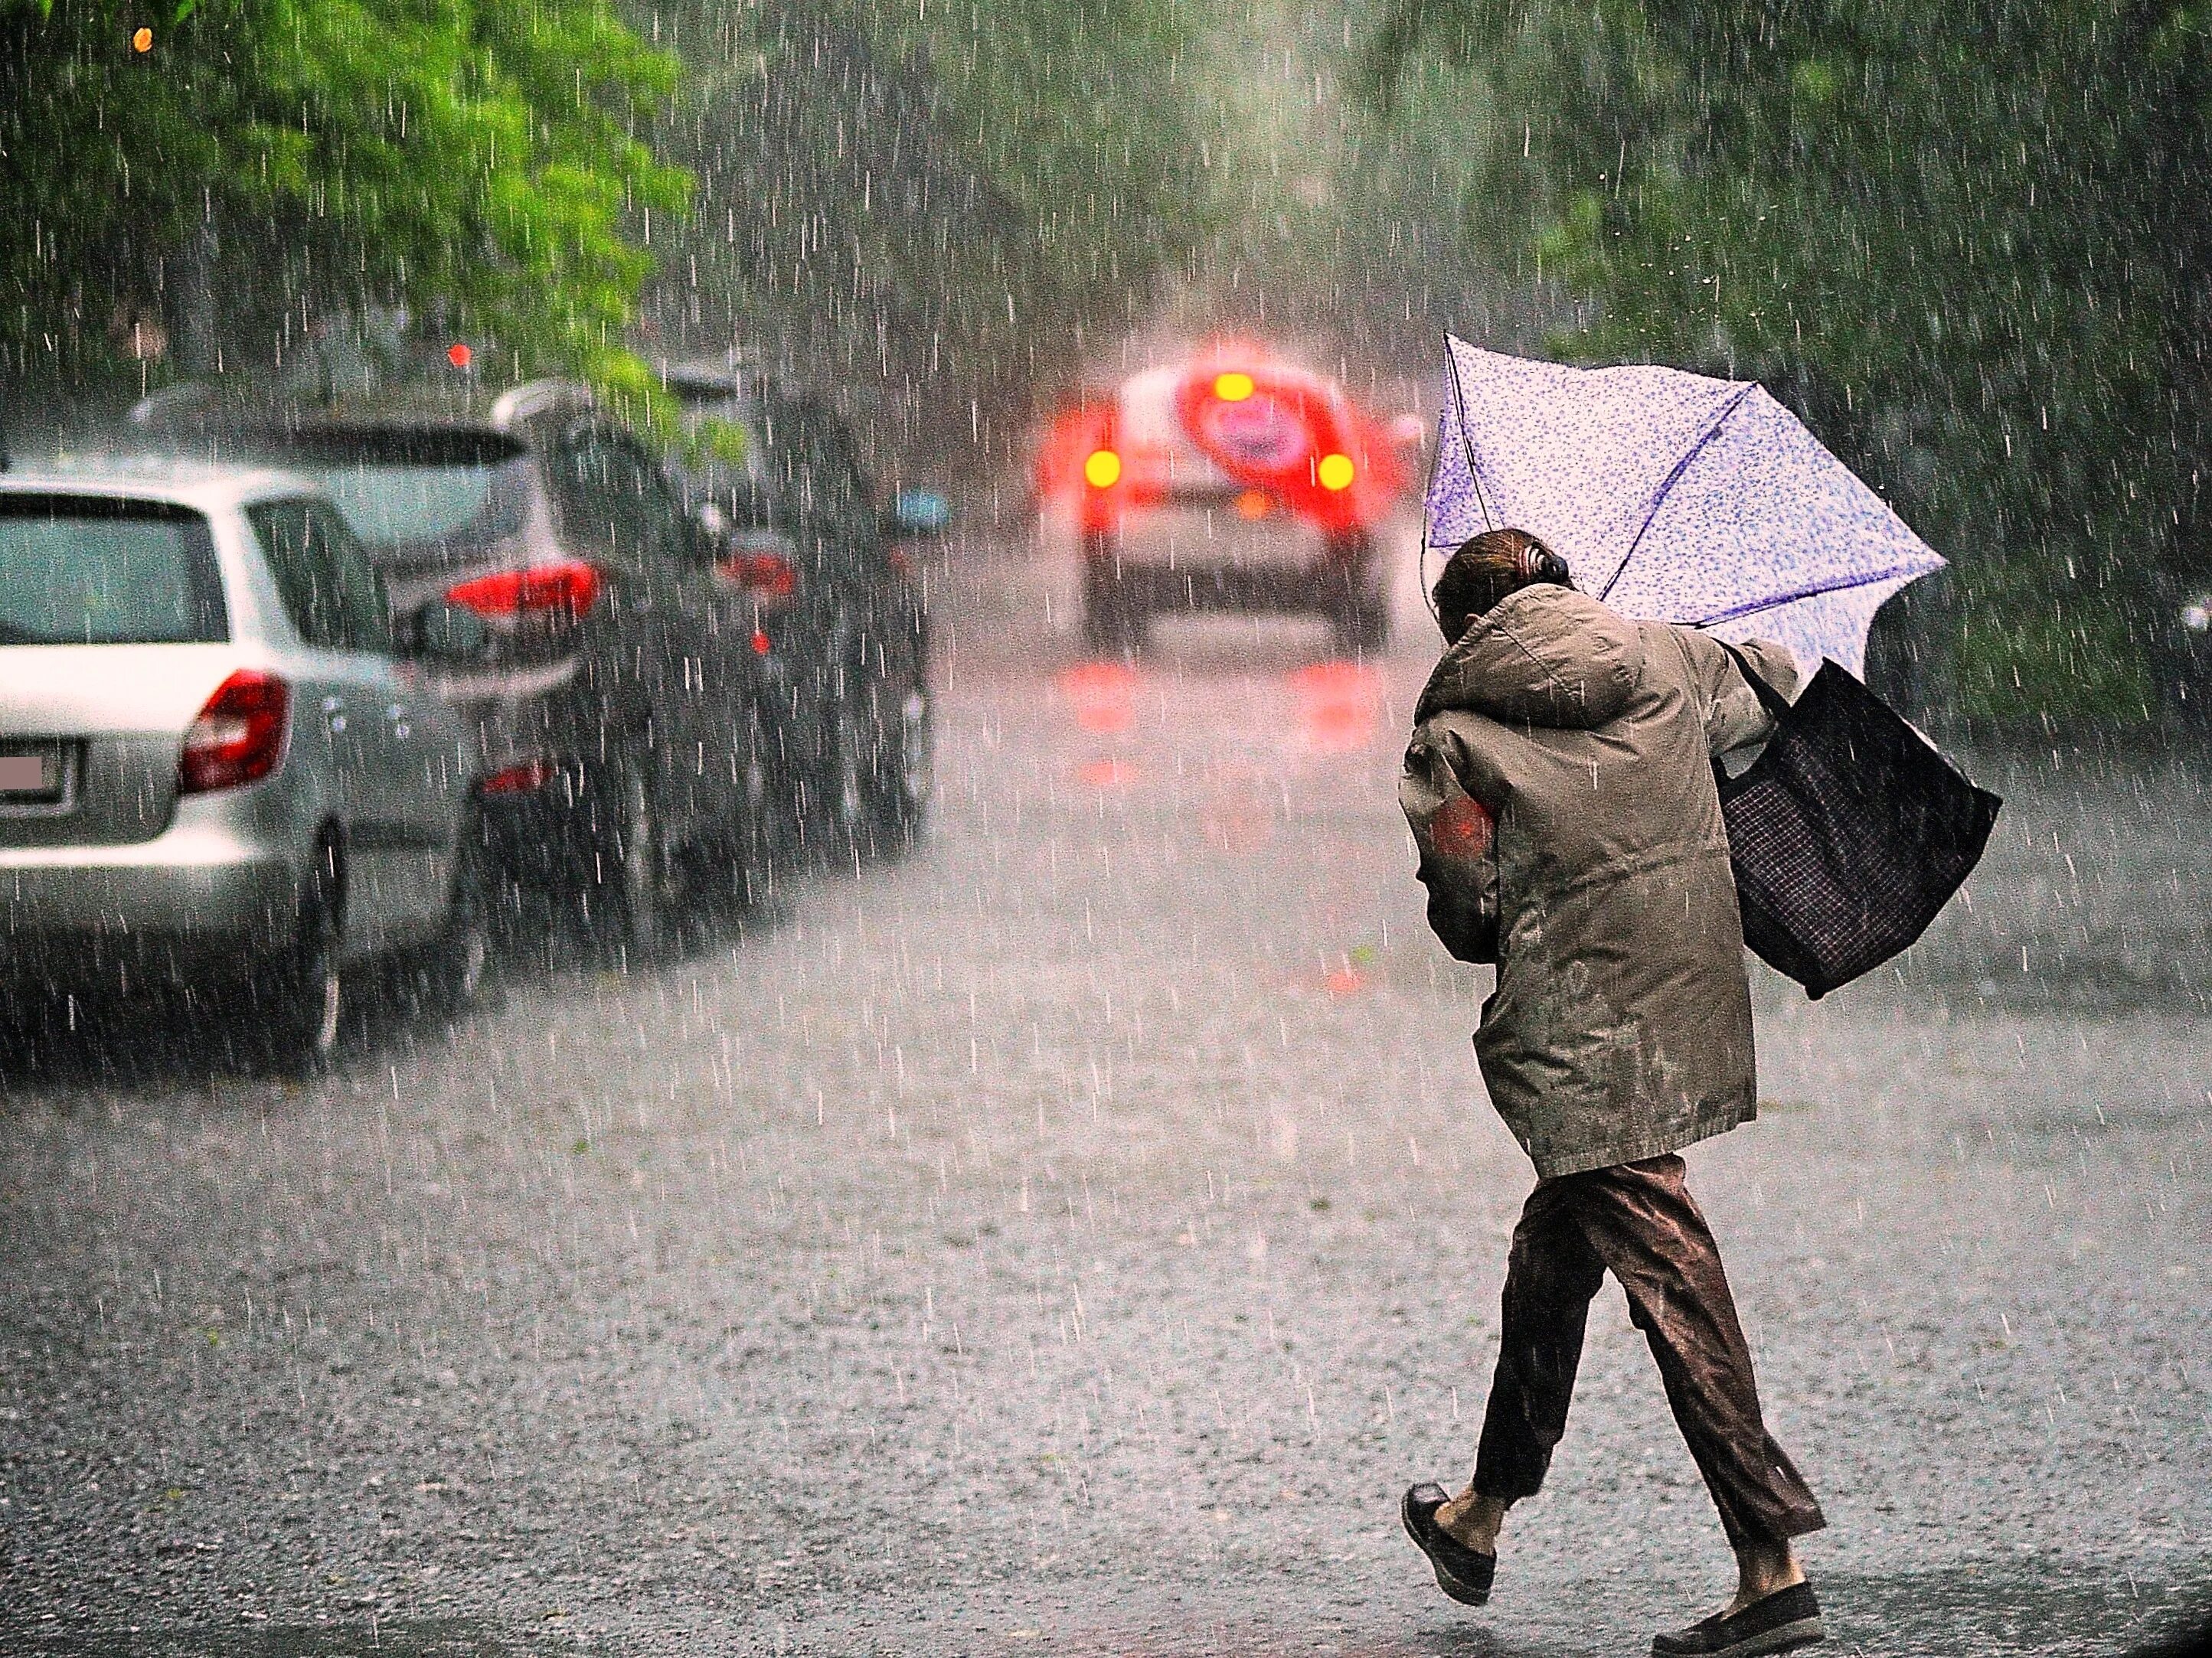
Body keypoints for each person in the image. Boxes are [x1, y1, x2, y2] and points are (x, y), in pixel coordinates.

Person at [1397, 528, 1828, 1658]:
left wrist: (1499, 903)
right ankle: (1477, 1516)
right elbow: (1776, 683)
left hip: (1575, 1025)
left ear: (1462, 626)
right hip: (1684, 983)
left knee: (1670, 1272)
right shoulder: (1663, 654)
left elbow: (1461, 908)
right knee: (1555, 1249)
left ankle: (1769, 1561)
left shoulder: (1450, 730)